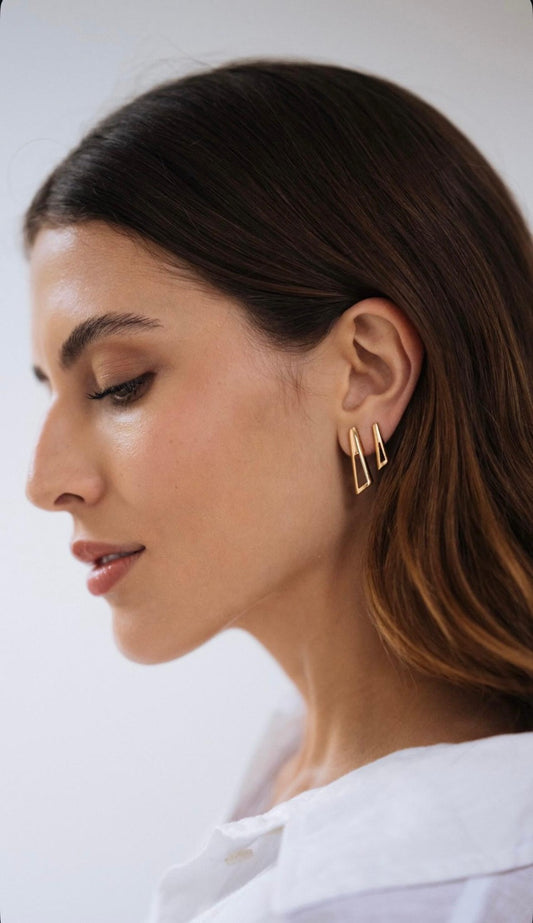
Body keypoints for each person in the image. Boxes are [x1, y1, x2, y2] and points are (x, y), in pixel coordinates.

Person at [23, 58, 533, 922]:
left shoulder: (457, 893)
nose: (46, 484)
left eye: (118, 384)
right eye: (51, 391)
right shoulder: (294, 781)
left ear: (365, 371)